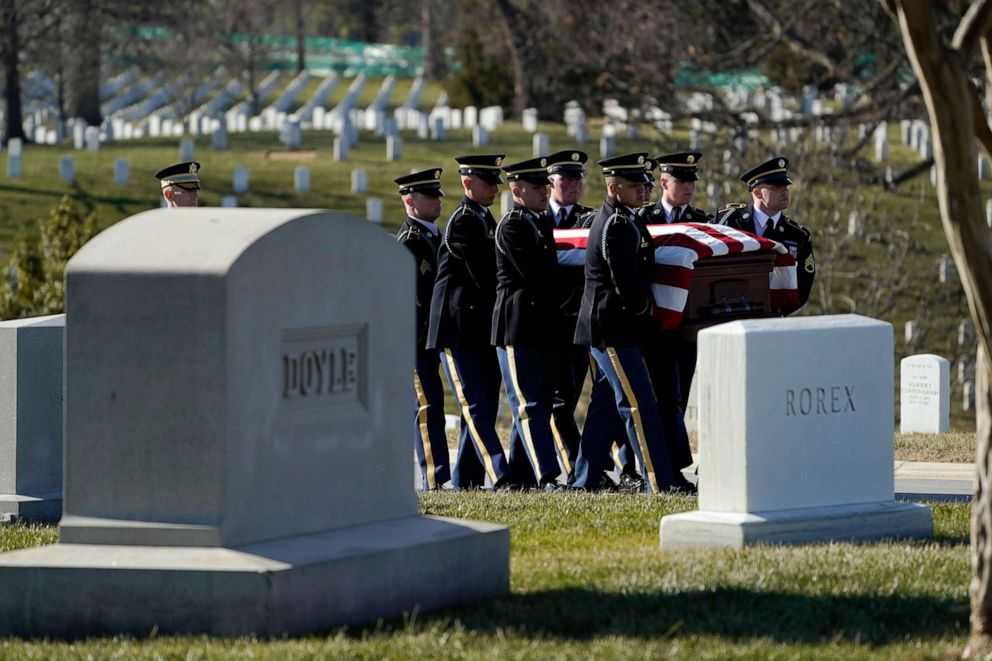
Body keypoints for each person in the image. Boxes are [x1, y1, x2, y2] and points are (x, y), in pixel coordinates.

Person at [570, 152, 678, 494]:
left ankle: (584, 480)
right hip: (612, 327)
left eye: (646, 185)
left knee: (605, 405)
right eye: (636, 186)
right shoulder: (616, 224)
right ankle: (659, 481)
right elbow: (626, 284)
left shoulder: (625, 218)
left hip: (613, 326)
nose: (644, 191)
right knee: (638, 403)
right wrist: (648, 310)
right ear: (615, 188)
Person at [427, 154, 511, 489]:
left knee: (484, 404)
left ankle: (467, 478)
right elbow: (484, 277)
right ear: (467, 183)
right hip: (457, 328)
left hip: (477, 329)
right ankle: (500, 474)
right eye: (487, 182)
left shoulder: (483, 219)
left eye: (495, 182)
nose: (493, 188)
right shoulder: (463, 221)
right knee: (474, 403)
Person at [492, 155, 562, 489]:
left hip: (540, 323)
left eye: (545, 186)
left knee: (541, 401)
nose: (544, 192)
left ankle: (520, 475)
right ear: (517, 189)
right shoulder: (512, 224)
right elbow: (533, 274)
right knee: (529, 403)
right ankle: (547, 475)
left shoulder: (540, 221)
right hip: (517, 324)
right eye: (537, 187)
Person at [395, 168, 449, 491]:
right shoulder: (410, 241)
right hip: (415, 337)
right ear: (410, 201)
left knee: (437, 403)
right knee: (427, 406)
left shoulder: (433, 236)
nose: (436, 201)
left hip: (435, 334)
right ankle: (435, 476)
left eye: (437, 194)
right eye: (429, 196)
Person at [545, 150, 593, 474]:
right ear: (550, 182)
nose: (574, 185)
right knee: (555, 401)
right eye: (567, 179)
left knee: (572, 395)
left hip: (580, 321)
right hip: (547, 324)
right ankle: (577, 464)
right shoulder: (535, 217)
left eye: (578, 179)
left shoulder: (589, 220)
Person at [716, 156, 816, 314]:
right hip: (727, 312)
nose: (784, 191)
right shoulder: (729, 220)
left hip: (772, 316)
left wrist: (774, 312)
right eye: (776, 187)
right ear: (757, 193)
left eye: (786, 186)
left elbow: (803, 285)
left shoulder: (798, 235)